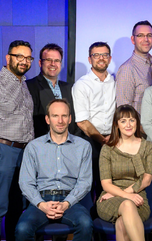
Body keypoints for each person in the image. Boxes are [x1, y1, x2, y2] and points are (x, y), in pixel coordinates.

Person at [15, 99, 93, 240]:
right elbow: (26, 182)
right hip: (41, 200)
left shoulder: (83, 146)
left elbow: (85, 182)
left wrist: (66, 203)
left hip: (70, 201)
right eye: (55, 116)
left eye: (64, 116)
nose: (60, 120)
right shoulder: (33, 147)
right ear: (47, 119)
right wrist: (41, 204)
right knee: (22, 229)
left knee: (86, 224)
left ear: (70, 119)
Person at [96, 104, 152, 241]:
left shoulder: (148, 147)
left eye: (132, 120)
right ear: (116, 125)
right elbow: (106, 185)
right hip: (109, 199)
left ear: (137, 122)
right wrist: (122, 195)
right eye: (123, 121)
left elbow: (146, 180)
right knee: (127, 204)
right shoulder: (107, 149)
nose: (128, 124)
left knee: (122, 224)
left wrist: (126, 194)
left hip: (138, 197)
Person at [72, 41, 116, 199]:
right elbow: (82, 121)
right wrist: (103, 141)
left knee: (112, 183)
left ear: (110, 59)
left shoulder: (115, 82)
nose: (101, 58)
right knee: (91, 183)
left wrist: (113, 137)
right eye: (96, 55)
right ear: (90, 59)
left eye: (104, 55)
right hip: (90, 138)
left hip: (113, 138)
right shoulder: (82, 85)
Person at [0, 40, 34, 239]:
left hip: (23, 152)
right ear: (8, 58)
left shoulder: (22, 83)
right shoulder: (4, 81)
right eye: (19, 56)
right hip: (5, 149)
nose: (24, 61)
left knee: (16, 204)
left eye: (28, 58)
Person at [26, 43, 80, 138]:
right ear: (40, 63)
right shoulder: (29, 86)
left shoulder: (70, 87)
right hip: (43, 144)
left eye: (57, 61)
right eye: (48, 60)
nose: (53, 64)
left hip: (70, 144)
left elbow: (75, 118)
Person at [116, 20, 152, 113]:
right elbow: (124, 110)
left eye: (149, 35)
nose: (146, 39)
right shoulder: (127, 69)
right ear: (133, 39)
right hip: (140, 126)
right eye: (140, 35)